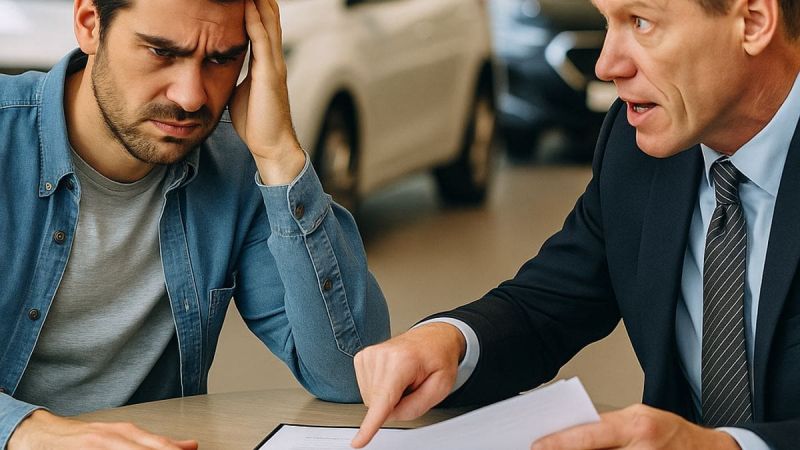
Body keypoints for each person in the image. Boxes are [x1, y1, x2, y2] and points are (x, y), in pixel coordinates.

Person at [352, 0, 800, 449]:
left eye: (640, 22)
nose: (606, 65)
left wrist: (729, 446)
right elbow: (549, 306)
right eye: (608, 21)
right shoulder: (637, 143)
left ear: (754, 22)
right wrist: (451, 342)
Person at [0, 0, 390, 448]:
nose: (191, 97)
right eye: (161, 53)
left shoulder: (238, 161)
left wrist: (280, 154)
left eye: (222, 59)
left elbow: (351, 374)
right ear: (90, 24)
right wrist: (32, 433)